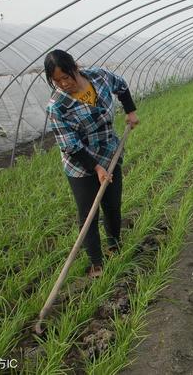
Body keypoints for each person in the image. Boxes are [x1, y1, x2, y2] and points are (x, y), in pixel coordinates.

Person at [45, 49, 139, 279]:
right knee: (88, 214)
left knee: (113, 205)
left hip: (109, 151)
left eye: (65, 77)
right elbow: (71, 145)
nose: (62, 84)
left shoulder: (99, 77)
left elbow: (122, 86)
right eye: (55, 81)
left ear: (75, 68)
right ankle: (97, 262)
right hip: (80, 164)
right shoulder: (57, 106)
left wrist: (131, 111)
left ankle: (114, 246)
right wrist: (96, 168)